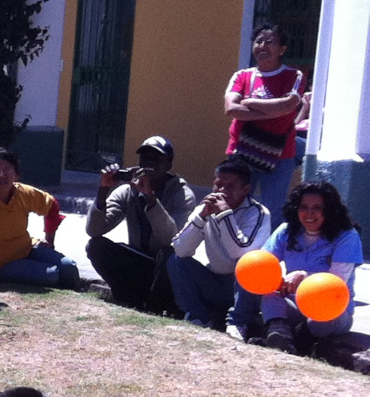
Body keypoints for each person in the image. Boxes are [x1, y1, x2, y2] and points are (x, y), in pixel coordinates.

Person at [238, 180, 363, 364]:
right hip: (295, 304)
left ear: (329, 210)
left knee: (322, 317)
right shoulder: (286, 231)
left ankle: (292, 339)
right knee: (270, 295)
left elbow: (338, 280)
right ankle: (280, 334)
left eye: (317, 208)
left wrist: (304, 277)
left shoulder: (346, 236)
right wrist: (276, 282)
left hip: (332, 309)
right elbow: (260, 265)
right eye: (303, 207)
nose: (309, 214)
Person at [84, 135, 195, 314]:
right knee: (96, 246)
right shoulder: (127, 191)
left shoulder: (182, 195)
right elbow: (94, 230)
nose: (148, 164)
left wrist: (150, 198)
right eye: (144, 158)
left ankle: (156, 307)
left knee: (170, 255)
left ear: (169, 164)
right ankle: (129, 298)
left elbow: (171, 240)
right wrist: (104, 189)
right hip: (138, 261)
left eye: (155, 159)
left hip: (165, 270)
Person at [167, 160, 272, 332]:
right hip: (215, 282)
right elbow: (181, 248)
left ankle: (237, 324)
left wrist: (225, 214)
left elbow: (239, 251)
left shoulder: (258, 213)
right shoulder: (206, 207)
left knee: (249, 265)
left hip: (243, 290)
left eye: (230, 186)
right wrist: (200, 218)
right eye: (218, 185)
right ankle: (199, 317)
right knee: (176, 261)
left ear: (245, 190)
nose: (222, 191)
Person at [0, 146, 79, 288]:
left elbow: (52, 206)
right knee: (52, 275)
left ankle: (74, 295)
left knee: (69, 266)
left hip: (26, 249)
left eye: (7, 170)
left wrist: (49, 242)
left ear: (16, 174)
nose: (2, 175)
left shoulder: (23, 192)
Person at [225, 22, 305, 224]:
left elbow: (288, 105)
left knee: (272, 210)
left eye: (269, 42)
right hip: (240, 152)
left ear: (282, 49)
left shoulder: (294, 76)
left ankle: (268, 254)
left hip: (280, 155)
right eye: (258, 41)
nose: (262, 46)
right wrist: (274, 111)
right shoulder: (242, 75)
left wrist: (250, 103)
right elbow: (231, 109)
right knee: (234, 204)